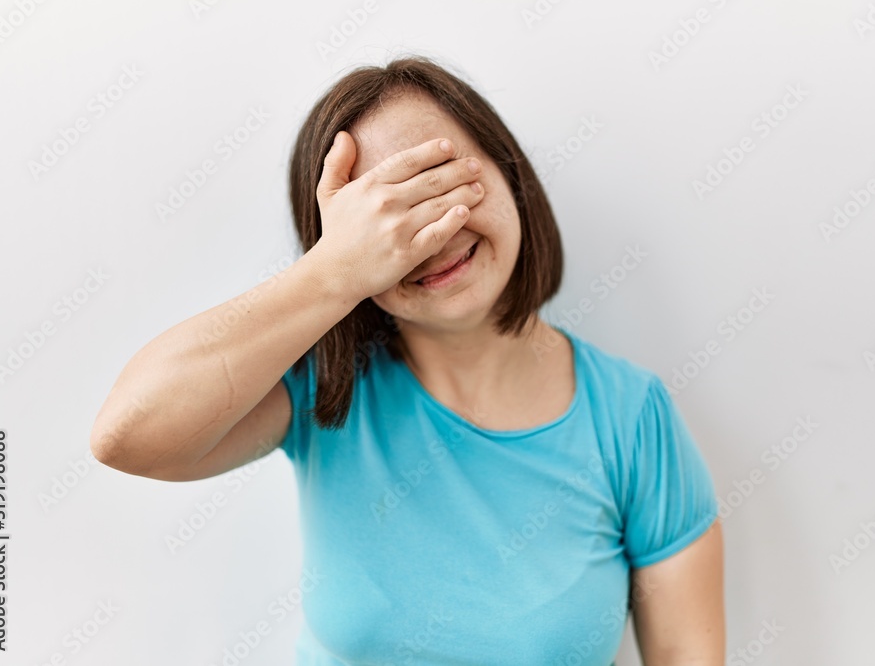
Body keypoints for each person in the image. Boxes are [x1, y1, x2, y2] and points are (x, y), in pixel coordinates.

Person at [91, 55, 725, 665]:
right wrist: (332, 276)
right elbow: (127, 436)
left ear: (511, 175)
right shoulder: (322, 389)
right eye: (381, 218)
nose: (429, 235)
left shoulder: (631, 417)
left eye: (440, 183)